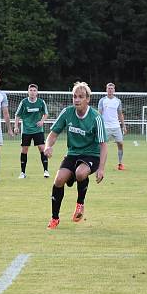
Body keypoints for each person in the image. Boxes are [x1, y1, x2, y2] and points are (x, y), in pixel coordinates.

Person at [44, 82, 107, 228]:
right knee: (59, 180)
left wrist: (101, 168)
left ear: (87, 99)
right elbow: (53, 134)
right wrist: (48, 146)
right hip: (72, 154)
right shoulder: (67, 113)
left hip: (91, 155)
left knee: (80, 173)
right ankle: (54, 218)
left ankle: (80, 204)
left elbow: (103, 145)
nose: (77, 100)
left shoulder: (96, 117)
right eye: (74, 96)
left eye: (81, 97)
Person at [13, 83, 49, 178]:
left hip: (38, 130)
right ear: (28, 92)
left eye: (34, 91)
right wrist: (16, 126)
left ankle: (46, 170)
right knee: (24, 150)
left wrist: (42, 121)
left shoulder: (41, 102)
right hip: (26, 130)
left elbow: (46, 114)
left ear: (37, 92)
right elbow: (17, 115)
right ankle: (22, 173)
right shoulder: (24, 102)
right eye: (31, 90)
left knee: (42, 148)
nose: (32, 92)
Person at [98, 83, 127, 170]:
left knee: (120, 144)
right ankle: (99, 164)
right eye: (109, 88)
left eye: (112, 88)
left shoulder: (117, 101)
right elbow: (99, 113)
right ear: (106, 90)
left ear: (114, 90)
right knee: (101, 146)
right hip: (105, 127)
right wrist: (98, 125)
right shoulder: (102, 100)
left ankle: (120, 163)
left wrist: (123, 126)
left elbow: (120, 114)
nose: (110, 90)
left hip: (116, 126)